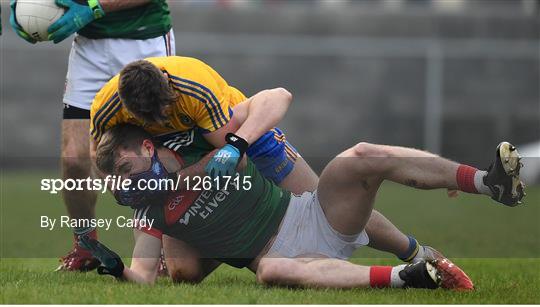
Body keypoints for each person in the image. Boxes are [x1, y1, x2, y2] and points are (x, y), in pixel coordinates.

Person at [85, 121, 525, 289]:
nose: (125, 184)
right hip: (282, 255)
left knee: (360, 154)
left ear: (147, 146)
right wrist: (113, 267)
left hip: (313, 215)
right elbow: (143, 276)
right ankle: (408, 277)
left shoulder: (205, 135)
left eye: (126, 169)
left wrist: (237, 139)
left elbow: (275, 96)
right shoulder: (148, 207)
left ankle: (489, 182)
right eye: (116, 181)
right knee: (270, 272)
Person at [9, 0, 175, 271]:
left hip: (143, 40)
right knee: (74, 160)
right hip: (90, 47)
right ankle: (85, 245)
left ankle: (165, 248)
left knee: (153, 156)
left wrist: (94, 7)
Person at [89, 56, 319, 194]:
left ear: (168, 87)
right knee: (184, 272)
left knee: (322, 211)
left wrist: (171, 184)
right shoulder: (106, 108)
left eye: (164, 112)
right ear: (126, 109)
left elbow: (235, 158)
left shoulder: (196, 87)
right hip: (187, 156)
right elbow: (98, 156)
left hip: (241, 142)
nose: (161, 123)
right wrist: (120, 189)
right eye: (148, 119)